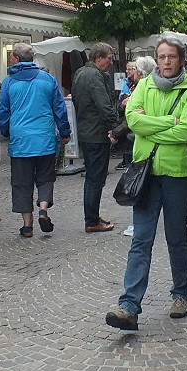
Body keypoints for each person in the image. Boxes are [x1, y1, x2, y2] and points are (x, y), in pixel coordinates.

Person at [105, 36, 187, 332]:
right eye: (162, 56)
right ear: (157, 60)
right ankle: (129, 306)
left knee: (176, 237)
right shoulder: (145, 85)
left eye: (172, 56)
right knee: (141, 240)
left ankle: (180, 294)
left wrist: (153, 126)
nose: (167, 61)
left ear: (181, 60)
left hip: (178, 174)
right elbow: (133, 121)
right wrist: (169, 122)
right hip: (146, 173)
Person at [0, 43, 71, 238]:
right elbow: (59, 109)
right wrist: (64, 132)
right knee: (45, 177)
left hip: (21, 141)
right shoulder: (47, 79)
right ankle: (44, 209)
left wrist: (6, 131)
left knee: (22, 182)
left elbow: (3, 112)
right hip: (45, 138)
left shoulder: (9, 82)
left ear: (15, 58)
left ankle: (27, 225)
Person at [71, 42, 118, 233]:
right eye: (109, 57)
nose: (111, 61)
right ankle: (91, 220)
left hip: (85, 130)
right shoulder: (95, 76)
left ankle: (92, 216)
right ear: (99, 58)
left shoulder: (80, 73)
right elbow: (104, 106)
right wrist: (114, 128)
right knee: (95, 179)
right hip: (96, 133)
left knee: (93, 177)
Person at [112, 56, 156, 234]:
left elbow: (134, 118)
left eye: (135, 69)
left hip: (139, 142)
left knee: (137, 182)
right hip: (135, 140)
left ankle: (139, 222)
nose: (133, 72)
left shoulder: (145, 89)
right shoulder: (136, 87)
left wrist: (116, 132)